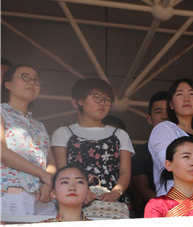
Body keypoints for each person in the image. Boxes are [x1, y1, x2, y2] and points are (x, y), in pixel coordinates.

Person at [51, 78, 134, 209]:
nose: (103, 103)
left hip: (113, 203)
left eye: (107, 100)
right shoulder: (63, 133)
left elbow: (125, 172)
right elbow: (63, 171)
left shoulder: (119, 134)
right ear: (79, 101)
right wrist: (83, 192)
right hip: (75, 201)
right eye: (97, 98)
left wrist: (115, 193)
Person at [1, 65, 57, 217]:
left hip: (43, 197)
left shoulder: (39, 125)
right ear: (8, 84)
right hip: (11, 192)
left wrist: (47, 183)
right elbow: (2, 153)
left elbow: (51, 161)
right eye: (25, 77)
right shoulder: (1, 113)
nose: (32, 82)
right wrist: (43, 175)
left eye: (36, 80)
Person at [148, 79, 193, 200]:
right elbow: (173, 168)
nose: (186, 99)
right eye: (180, 94)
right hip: (175, 204)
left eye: (192, 94)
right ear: (171, 104)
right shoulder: (164, 128)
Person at [129, 91, 168, 218]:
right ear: (149, 119)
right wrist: (171, 206)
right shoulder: (140, 153)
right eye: (158, 112)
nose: (165, 116)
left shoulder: (189, 147)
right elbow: (143, 190)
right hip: (153, 216)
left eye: (168, 111)